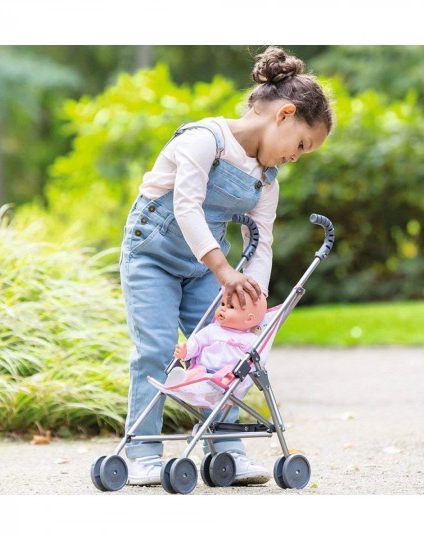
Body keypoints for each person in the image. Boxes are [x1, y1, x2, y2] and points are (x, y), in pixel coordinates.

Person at [119, 45, 334, 486]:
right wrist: (224, 272)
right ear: (284, 115)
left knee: (225, 353)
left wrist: (251, 294)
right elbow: (187, 207)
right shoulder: (204, 140)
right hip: (152, 259)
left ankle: (228, 450)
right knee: (156, 351)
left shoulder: (265, 180)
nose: (296, 156)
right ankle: (142, 452)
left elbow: (262, 242)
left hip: (204, 268)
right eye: (300, 144)